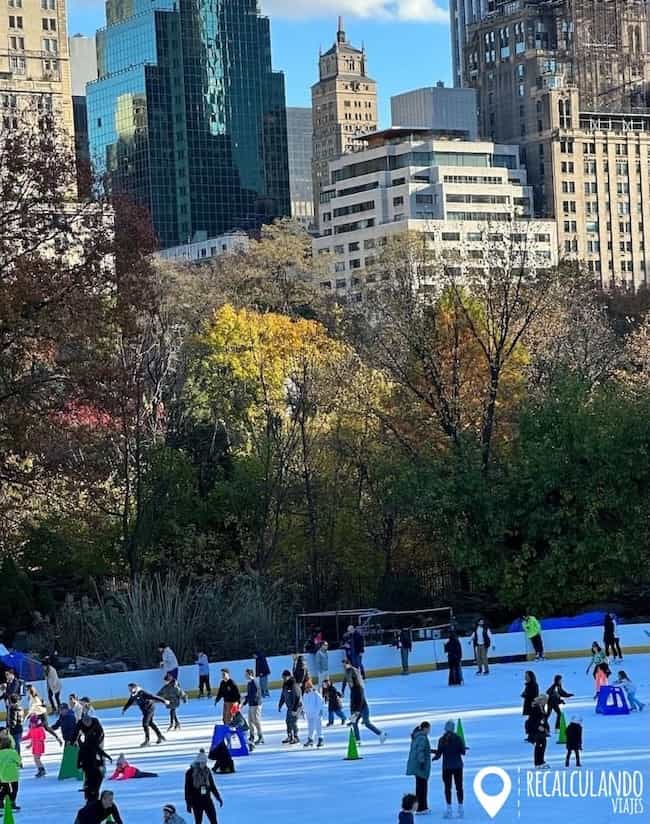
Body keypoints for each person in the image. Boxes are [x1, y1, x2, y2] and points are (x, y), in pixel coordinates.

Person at [342, 658, 387, 745]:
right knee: (355, 723)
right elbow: (345, 680)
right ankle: (358, 740)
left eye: (345, 664)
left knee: (367, 723)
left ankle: (381, 734)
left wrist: (357, 712)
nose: (349, 682)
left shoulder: (358, 688)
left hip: (363, 707)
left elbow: (361, 700)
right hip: (357, 708)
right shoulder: (352, 689)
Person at [432, 719, 466, 820]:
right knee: (459, 787)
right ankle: (460, 808)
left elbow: (439, 754)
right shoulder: (458, 738)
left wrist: (432, 755)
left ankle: (449, 809)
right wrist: (463, 748)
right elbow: (463, 752)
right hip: (458, 766)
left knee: (448, 788)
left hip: (447, 767)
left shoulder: (442, 739)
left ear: (445, 728)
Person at [122, 682, 169, 746]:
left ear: (135, 688)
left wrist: (163, 700)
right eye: (129, 688)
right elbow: (130, 701)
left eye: (131, 688)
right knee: (150, 723)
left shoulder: (142, 693)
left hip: (150, 708)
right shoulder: (133, 695)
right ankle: (160, 735)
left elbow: (153, 696)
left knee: (145, 724)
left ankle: (147, 740)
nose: (130, 690)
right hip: (145, 710)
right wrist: (124, 709)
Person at [184, 749, 223, 824]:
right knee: (198, 822)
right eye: (202, 762)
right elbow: (187, 790)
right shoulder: (190, 772)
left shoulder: (207, 771)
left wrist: (218, 797)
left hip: (207, 800)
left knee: (214, 821)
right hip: (196, 802)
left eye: (205, 762)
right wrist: (188, 804)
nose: (203, 764)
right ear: (197, 762)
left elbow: (212, 786)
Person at [406, 721, 432, 815]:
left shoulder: (417, 736)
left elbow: (421, 749)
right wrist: (422, 762)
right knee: (422, 787)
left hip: (416, 766)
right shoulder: (422, 737)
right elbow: (420, 751)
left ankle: (419, 807)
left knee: (419, 786)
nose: (429, 731)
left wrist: (431, 751)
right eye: (429, 729)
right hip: (420, 766)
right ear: (425, 728)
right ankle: (422, 808)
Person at [78, 736, 112, 801]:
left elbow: (101, 752)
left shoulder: (92, 746)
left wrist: (108, 757)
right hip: (89, 767)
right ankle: (90, 792)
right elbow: (79, 757)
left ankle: (93, 793)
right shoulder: (85, 747)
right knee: (90, 780)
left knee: (93, 781)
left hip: (94, 767)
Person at [278, 669, 302, 744]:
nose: (284, 679)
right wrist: (280, 704)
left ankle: (296, 737)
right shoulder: (285, 685)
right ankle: (289, 736)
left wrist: (295, 709)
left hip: (296, 706)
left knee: (293, 722)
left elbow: (298, 697)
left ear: (289, 676)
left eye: (285, 677)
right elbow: (283, 695)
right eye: (283, 677)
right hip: (289, 707)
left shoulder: (293, 684)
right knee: (288, 721)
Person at [242, 668, 264, 745]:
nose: (245, 676)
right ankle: (252, 736)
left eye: (246, 674)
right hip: (251, 704)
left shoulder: (255, 682)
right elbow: (249, 695)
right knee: (250, 721)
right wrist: (244, 703)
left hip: (256, 704)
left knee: (256, 721)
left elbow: (255, 695)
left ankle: (260, 736)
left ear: (250, 674)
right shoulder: (249, 683)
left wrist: (246, 698)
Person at [0, 736, 21, 812]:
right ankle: (12, 803)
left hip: (2, 775)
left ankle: (1, 802)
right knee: (14, 789)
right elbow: (19, 762)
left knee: (5, 789)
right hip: (13, 775)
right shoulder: (13, 752)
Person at [302, 679, 325, 748]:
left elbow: (321, 701)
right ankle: (310, 739)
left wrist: (319, 711)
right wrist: (304, 711)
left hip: (316, 713)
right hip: (309, 713)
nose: (307, 688)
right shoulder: (305, 694)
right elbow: (304, 704)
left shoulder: (315, 693)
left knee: (318, 726)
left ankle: (320, 739)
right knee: (310, 727)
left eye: (308, 686)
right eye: (306, 686)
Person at [531, 696, 550, 769]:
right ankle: (538, 762)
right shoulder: (536, 709)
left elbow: (544, 719)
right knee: (539, 746)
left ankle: (540, 761)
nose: (546, 702)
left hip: (542, 731)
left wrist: (546, 728)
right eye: (545, 701)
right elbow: (533, 720)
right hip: (538, 731)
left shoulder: (542, 708)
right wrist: (538, 727)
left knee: (542, 745)